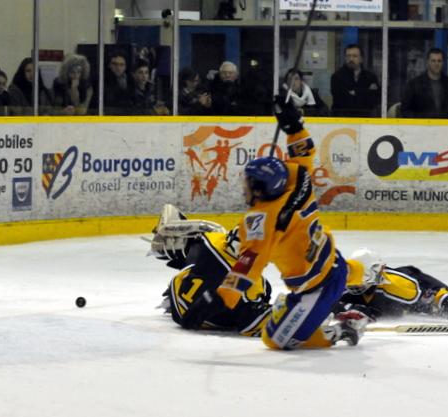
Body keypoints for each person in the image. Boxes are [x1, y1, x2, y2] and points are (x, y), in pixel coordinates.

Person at [180, 96, 367, 349]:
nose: (244, 188)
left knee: (276, 339)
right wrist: (293, 127)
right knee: (341, 271)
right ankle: (363, 271)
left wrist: (220, 297)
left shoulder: (262, 220)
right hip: (333, 259)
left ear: (260, 188)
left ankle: (340, 330)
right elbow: (303, 153)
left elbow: (250, 264)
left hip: (316, 288)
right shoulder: (299, 183)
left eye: (249, 183)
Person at [149, 204, 272, 337]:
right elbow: (254, 324)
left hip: (179, 292)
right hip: (185, 312)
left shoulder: (212, 238)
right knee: (265, 292)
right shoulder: (252, 287)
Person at [400, 48, 448, 119]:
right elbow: (405, 110)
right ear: (428, 62)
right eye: (433, 61)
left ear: (443, 63)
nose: (436, 64)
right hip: (422, 128)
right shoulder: (414, 85)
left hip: (446, 128)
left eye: (439, 61)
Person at [330, 44, 380, 117]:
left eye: (354, 56)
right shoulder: (337, 77)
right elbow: (341, 101)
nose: (351, 59)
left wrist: (355, 92)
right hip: (342, 118)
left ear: (361, 58)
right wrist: (364, 92)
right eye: (348, 56)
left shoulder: (370, 77)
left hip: (365, 118)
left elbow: (374, 99)